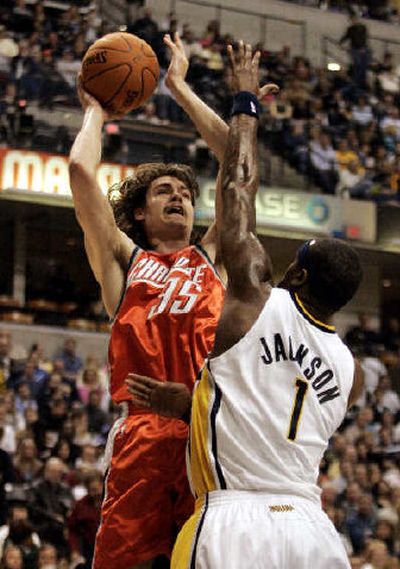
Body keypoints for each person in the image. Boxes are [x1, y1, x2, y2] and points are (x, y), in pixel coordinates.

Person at [128, 42, 364, 569]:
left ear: (296, 273)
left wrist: (244, 105)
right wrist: (193, 402)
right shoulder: (354, 372)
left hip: (233, 520)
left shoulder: (254, 301)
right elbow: (273, 405)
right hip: (312, 530)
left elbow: (238, 187)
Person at [69, 30, 277, 569]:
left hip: (206, 430)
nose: (180, 196)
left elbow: (237, 161)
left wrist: (178, 87)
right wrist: (94, 108)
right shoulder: (124, 262)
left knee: (207, 561)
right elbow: (78, 172)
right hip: (142, 435)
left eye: (185, 192)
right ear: (139, 212)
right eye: (166, 191)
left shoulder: (211, 256)